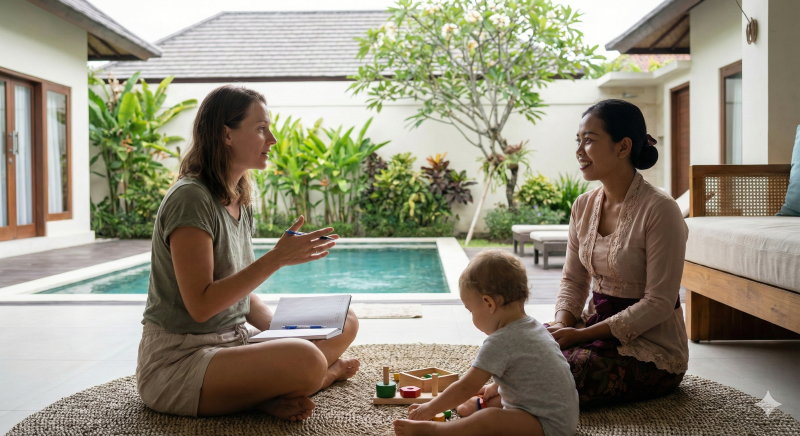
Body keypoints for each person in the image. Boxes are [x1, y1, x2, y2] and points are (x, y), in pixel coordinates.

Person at [135, 85, 360, 421]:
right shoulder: (191, 199)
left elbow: (237, 293)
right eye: (260, 129)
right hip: (180, 360)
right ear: (226, 135)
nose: (271, 139)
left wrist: (285, 328)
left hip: (232, 344)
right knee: (308, 360)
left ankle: (264, 393)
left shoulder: (238, 197)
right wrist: (277, 258)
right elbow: (201, 305)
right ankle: (314, 380)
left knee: (345, 322)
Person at [545, 99, 688, 407]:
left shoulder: (661, 210)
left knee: (566, 374)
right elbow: (573, 278)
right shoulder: (582, 206)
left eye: (590, 140)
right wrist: (562, 324)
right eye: (578, 140)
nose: (579, 151)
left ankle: (498, 406)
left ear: (623, 147)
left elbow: (660, 303)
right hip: (591, 327)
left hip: (650, 345)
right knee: (517, 349)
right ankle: (494, 404)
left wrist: (580, 336)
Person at [394, 250, 579, 436]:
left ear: (489, 304)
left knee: (488, 420)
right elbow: (531, 375)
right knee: (495, 395)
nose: (472, 317)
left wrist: (429, 409)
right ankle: (476, 404)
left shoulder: (500, 342)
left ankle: (434, 430)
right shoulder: (536, 328)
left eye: (471, 311)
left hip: (547, 427)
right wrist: (495, 387)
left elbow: (466, 387)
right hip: (562, 419)